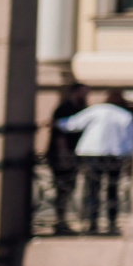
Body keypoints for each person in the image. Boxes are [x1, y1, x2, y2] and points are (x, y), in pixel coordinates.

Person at [61, 90, 133, 235]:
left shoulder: (97, 110)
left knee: (92, 188)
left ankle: (92, 222)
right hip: (115, 154)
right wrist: (129, 157)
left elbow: (73, 124)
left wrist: (57, 123)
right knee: (112, 189)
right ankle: (112, 222)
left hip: (92, 152)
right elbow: (130, 139)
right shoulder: (125, 115)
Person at [45, 82, 88, 236]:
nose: (85, 96)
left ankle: (62, 220)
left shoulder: (81, 109)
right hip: (61, 155)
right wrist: (64, 154)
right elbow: (59, 135)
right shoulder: (64, 109)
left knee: (68, 188)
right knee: (62, 188)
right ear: (74, 92)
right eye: (83, 92)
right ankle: (59, 221)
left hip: (72, 154)